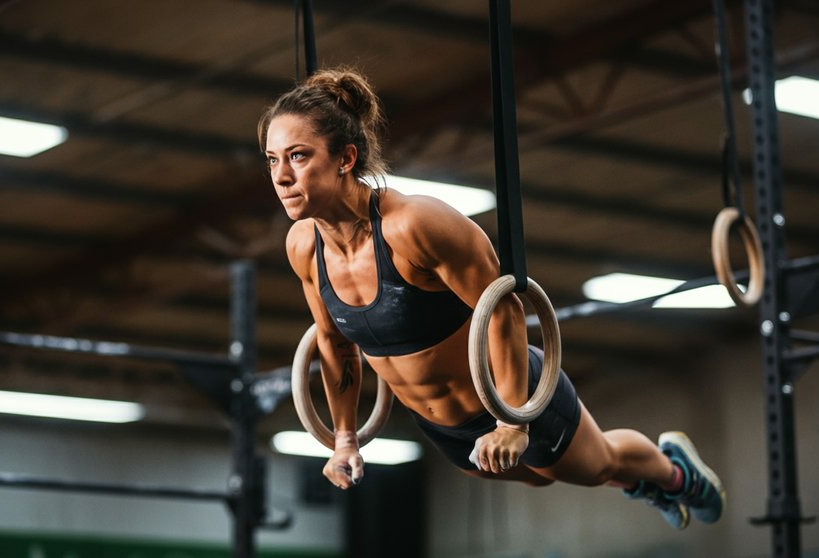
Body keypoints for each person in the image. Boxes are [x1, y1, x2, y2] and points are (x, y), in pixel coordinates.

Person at [258, 67, 725, 530]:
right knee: (538, 478)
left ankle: (673, 473)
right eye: (272, 160)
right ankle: (640, 483)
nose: (281, 176)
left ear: (345, 158)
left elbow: (503, 309)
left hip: (509, 395)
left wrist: (513, 422)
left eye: (298, 156)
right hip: (442, 425)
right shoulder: (303, 246)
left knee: (592, 466)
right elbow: (335, 344)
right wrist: (344, 439)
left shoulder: (416, 226)